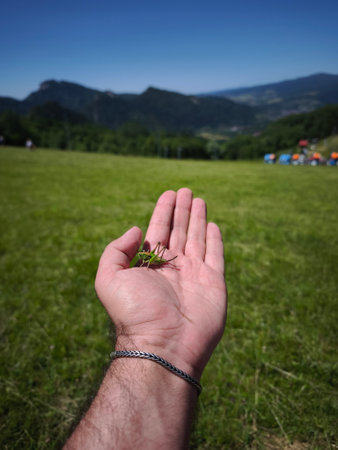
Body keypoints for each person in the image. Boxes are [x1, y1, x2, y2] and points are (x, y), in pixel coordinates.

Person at [64, 188, 227, 450]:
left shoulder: (155, 257)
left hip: (159, 261)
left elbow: (155, 258)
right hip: (153, 264)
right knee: (163, 258)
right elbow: (147, 259)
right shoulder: (146, 260)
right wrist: (158, 344)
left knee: (168, 259)